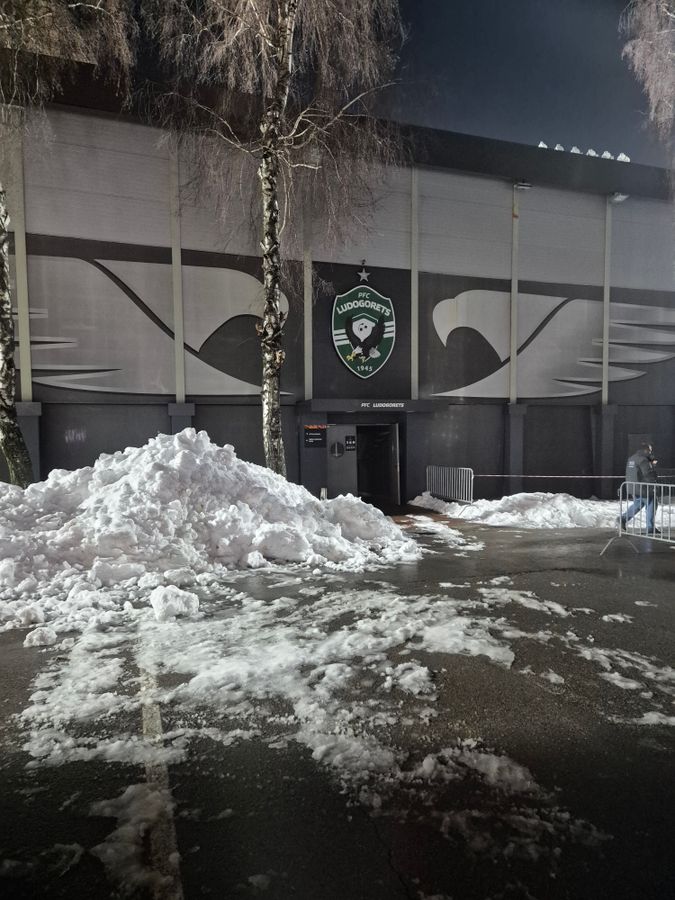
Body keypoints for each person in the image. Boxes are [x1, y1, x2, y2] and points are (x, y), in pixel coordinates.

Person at [622, 442, 660, 534]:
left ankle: (622, 519)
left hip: (633, 487)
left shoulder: (632, 458)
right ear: (646, 450)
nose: (651, 453)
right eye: (650, 451)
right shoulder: (643, 460)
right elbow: (648, 474)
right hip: (643, 488)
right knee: (652, 502)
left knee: (638, 504)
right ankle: (650, 527)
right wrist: (653, 469)